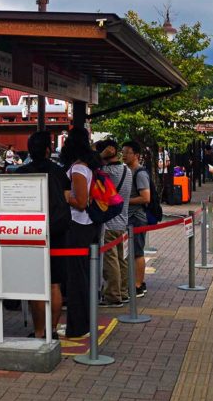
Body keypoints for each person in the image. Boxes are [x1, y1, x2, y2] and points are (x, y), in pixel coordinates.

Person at [16, 130, 68, 339]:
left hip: (30, 231)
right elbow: (67, 199)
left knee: (35, 283)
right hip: (56, 231)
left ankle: (38, 332)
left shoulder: (21, 172)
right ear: (48, 149)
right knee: (54, 283)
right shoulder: (59, 172)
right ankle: (52, 330)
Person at [60, 127, 100, 338]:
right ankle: (83, 322)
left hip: (78, 224)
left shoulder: (77, 169)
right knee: (82, 275)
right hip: (87, 226)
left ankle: (77, 326)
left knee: (76, 278)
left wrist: (64, 196)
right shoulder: (87, 165)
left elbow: (81, 203)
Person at [95, 139, 131, 308]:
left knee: (111, 261)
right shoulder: (127, 170)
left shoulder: (105, 172)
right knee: (122, 259)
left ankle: (112, 296)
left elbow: (91, 164)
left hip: (109, 223)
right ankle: (123, 292)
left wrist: (99, 156)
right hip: (123, 221)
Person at [121, 141, 151, 298]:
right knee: (131, 252)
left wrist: (124, 200)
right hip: (129, 218)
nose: (124, 155)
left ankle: (139, 285)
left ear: (136, 155)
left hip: (137, 218)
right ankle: (137, 282)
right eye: (123, 152)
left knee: (137, 252)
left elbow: (146, 198)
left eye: (127, 152)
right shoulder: (127, 171)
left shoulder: (140, 173)